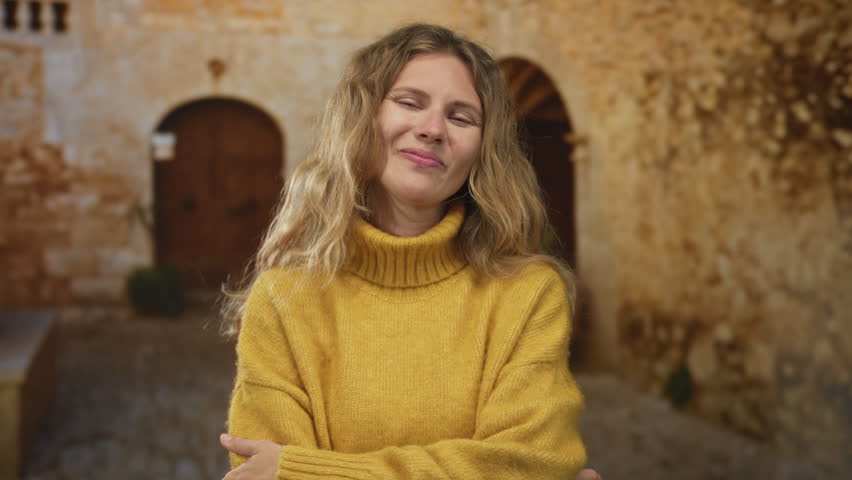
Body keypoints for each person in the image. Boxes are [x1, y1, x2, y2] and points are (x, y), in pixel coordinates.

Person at [218, 23, 602, 480]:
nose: (433, 129)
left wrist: (306, 470)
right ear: (363, 119)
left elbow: (535, 460)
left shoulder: (528, 295)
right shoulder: (284, 302)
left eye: (461, 117)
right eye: (409, 102)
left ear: (483, 150)